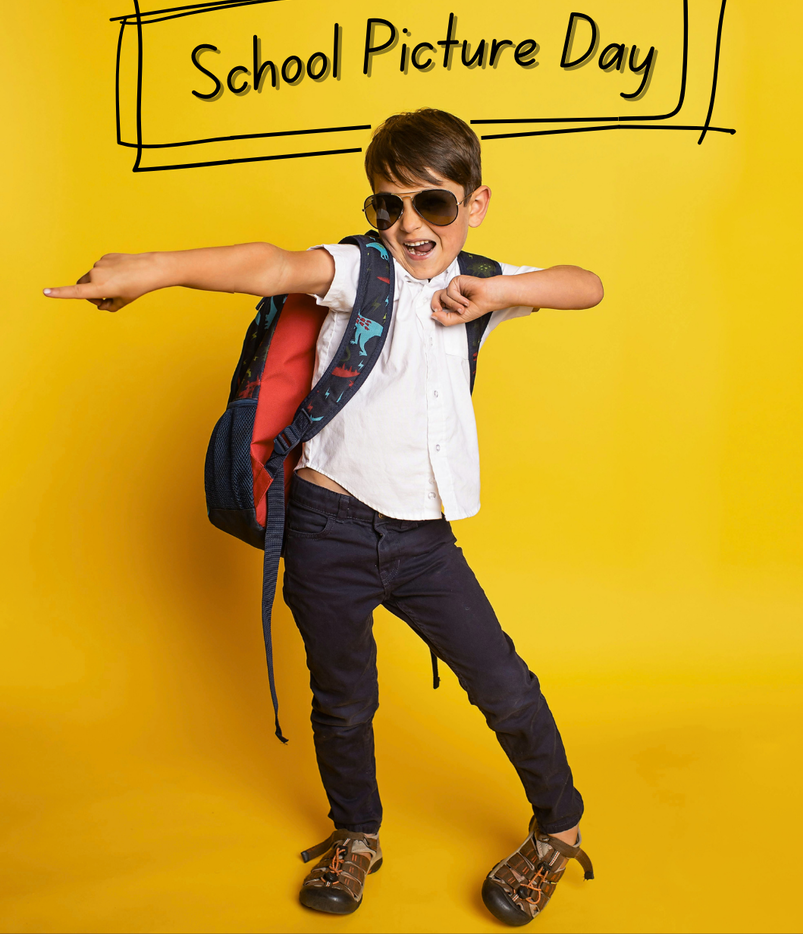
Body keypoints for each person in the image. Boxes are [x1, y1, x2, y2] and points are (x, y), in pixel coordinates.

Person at [44, 108, 602, 927]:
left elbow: (584, 285)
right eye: (388, 206)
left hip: (423, 544)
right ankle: (355, 834)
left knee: (506, 688)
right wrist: (154, 268)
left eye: (432, 205)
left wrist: (501, 290)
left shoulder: (478, 282)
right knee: (342, 700)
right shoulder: (354, 270)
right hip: (326, 530)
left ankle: (558, 830)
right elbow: (268, 266)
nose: (409, 225)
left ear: (473, 205)